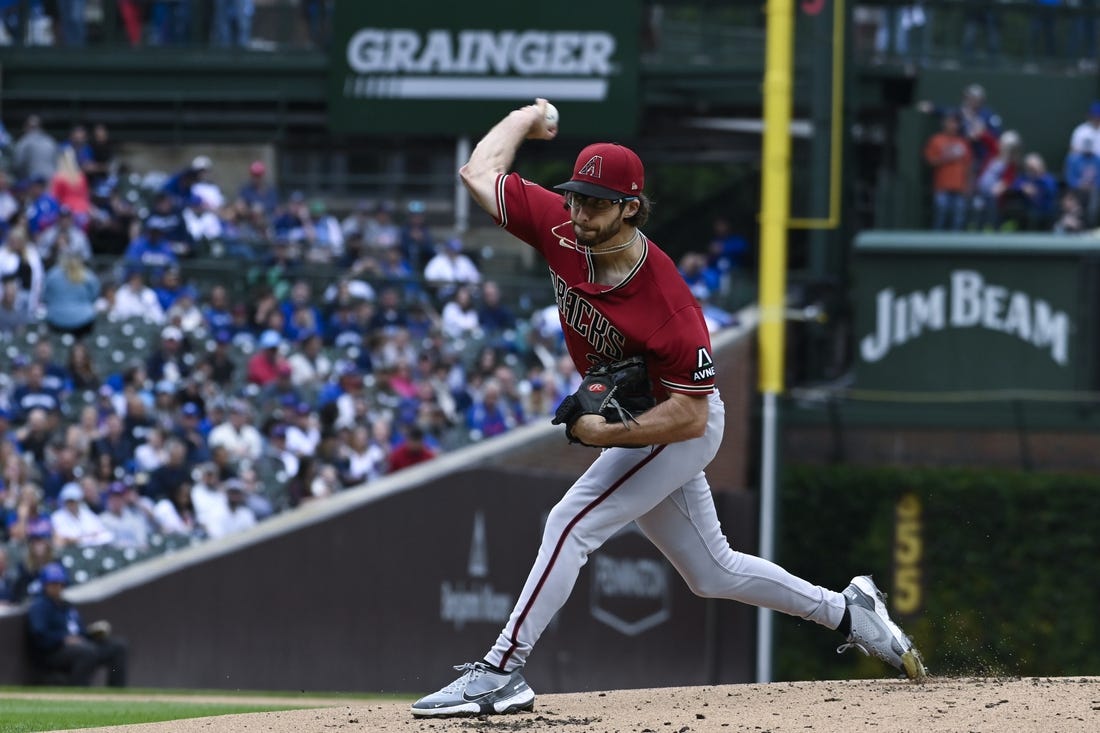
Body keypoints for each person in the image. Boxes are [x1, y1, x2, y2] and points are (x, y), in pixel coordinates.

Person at [409, 99, 926, 718]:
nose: (579, 211)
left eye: (596, 202)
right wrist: (526, 116)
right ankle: (849, 611)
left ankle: (501, 670)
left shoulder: (670, 304)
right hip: (646, 417)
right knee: (713, 572)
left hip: (676, 423)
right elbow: (479, 171)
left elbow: (692, 416)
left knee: (570, 524)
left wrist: (604, 431)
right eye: (575, 197)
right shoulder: (557, 224)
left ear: (630, 207)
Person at [26, 562, 128, 686]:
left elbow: (79, 630)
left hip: (80, 644)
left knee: (117, 646)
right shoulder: (39, 606)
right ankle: (78, 690)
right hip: (54, 652)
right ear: (45, 585)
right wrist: (63, 639)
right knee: (86, 652)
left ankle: (116, 691)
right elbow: (39, 635)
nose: (57, 587)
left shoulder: (67, 605)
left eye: (60, 584)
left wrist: (92, 633)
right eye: (53, 584)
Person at [923, 111, 973, 231]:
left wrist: (968, 187)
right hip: (942, 187)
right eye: (950, 122)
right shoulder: (936, 140)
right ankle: (935, 247)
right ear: (944, 123)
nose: (953, 125)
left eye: (956, 122)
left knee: (958, 220)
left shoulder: (963, 142)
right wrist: (946, 157)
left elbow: (969, 166)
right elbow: (930, 161)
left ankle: (956, 249)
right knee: (941, 217)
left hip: (959, 188)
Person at [42, 252, 100, 339]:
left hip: (56, 319)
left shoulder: (52, 274)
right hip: (84, 320)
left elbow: (45, 296)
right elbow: (95, 295)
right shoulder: (87, 275)